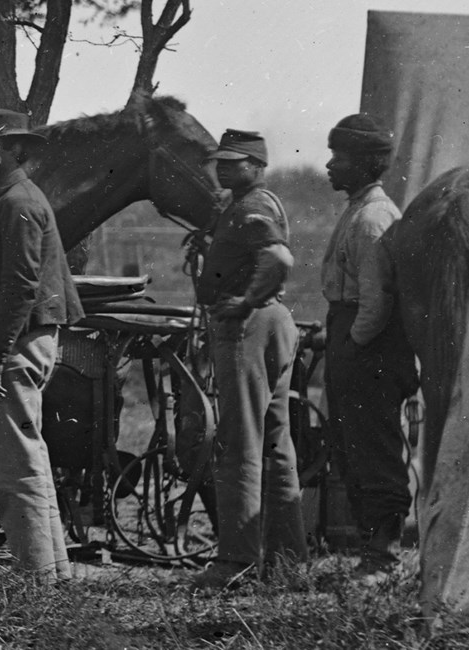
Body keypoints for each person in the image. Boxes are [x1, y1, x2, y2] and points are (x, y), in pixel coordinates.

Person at [191, 129, 308, 591]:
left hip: (250, 325)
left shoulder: (251, 206)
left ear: (256, 165)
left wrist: (243, 302)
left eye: (233, 161)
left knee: (239, 443)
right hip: (273, 321)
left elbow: (278, 257)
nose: (222, 167)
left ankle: (235, 562)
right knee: (276, 444)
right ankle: (287, 562)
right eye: (219, 160)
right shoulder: (259, 202)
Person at [0, 109, 84, 580]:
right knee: (28, 461)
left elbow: (20, 287)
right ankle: (51, 574)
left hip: (15, 346)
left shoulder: (17, 202)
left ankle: (35, 585)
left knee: (13, 468)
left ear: (8, 150)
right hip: (25, 341)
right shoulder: (17, 198)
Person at [322, 113, 418, 580]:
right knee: (352, 444)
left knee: (373, 446)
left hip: (370, 344)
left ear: (363, 164)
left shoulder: (372, 219)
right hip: (353, 335)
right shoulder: (360, 209)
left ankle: (384, 554)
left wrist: (352, 346)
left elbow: (376, 301)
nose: (329, 166)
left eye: (339, 158)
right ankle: (370, 549)